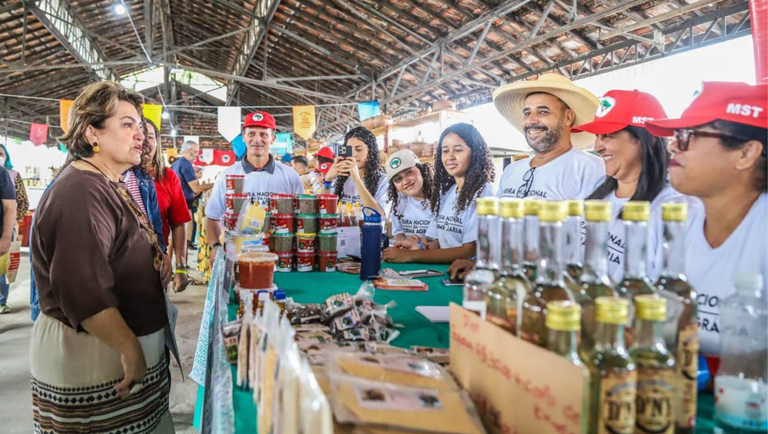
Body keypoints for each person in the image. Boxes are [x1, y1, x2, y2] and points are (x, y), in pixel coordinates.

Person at [30, 81, 174, 432]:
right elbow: (83, 290)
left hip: (112, 349)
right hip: (94, 355)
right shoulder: (81, 191)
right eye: (127, 124)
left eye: (140, 125)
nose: (140, 135)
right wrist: (130, 348)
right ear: (91, 132)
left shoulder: (109, 181)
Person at [645, 81, 767, 355]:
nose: (673, 146)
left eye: (687, 135)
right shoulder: (675, 222)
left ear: (746, 153)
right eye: (675, 135)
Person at [572, 89, 691, 283]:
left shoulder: (670, 208)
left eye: (608, 135)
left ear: (648, 138)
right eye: (597, 137)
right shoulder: (596, 189)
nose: (597, 147)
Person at [383, 123, 495, 264]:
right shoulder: (450, 192)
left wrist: (410, 255)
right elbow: (439, 243)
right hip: (446, 269)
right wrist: (419, 246)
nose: (450, 157)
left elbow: (469, 251)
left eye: (458, 150)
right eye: (445, 151)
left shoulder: (484, 192)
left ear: (475, 152)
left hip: (469, 273)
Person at [206, 111, 304, 258]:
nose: (257, 140)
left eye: (263, 134)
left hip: (280, 257)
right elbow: (213, 217)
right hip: (238, 257)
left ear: (273, 138)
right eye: (251, 134)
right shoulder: (227, 176)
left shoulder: (290, 176)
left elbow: (301, 217)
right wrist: (214, 246)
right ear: (244, 137)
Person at [492, 73, 605, 200]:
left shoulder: (591, 169)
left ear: (568, 117)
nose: (531, 121)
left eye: (543, 112)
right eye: (527, 113)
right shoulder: (511, 170)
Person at [145, 119, 192, 293]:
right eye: (139, 135)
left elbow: (178, 224)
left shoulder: (168, 177)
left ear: (157, 142)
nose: (144, 141)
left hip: (158, 264)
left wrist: (180, 267)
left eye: (150, 137)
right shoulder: (119, 176)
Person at [323, 127, 389, 216]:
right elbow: (324, 210)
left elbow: (378, 215)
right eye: (349, 150)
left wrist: (357, 180)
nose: (353, 155)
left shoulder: (383, 181)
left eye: (358, 149)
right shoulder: (340, 179)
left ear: (370, 152)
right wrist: (327, 180)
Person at [384, 150, 434, 240]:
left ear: (422, 170)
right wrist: (406, 241)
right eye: (398, 179)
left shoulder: (442, 199)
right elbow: (398, 232)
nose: (405, 181)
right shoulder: (400, 201)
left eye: (409, 172)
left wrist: (419, 244)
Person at [172, 140, 213, 250]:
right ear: (187, 150)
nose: (197, 155)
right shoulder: (186, 165)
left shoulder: (176, 163)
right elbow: (195, 187)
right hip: (184, 206)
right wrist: (215, 184)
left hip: (176, 204)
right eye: (195, 152)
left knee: (173, 239)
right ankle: (182, 261)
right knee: (184, 239)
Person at [0, 145, 24, 314]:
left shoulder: (8, 174)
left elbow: (13, 206)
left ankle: (1, 300)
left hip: (4, 228)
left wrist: (7, 235)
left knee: (2, 272)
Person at [0, 164, 16, 314]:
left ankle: (1, 301)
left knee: (1, 275)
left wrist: (6, 238)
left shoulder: (1, 173)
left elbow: (10, 207)